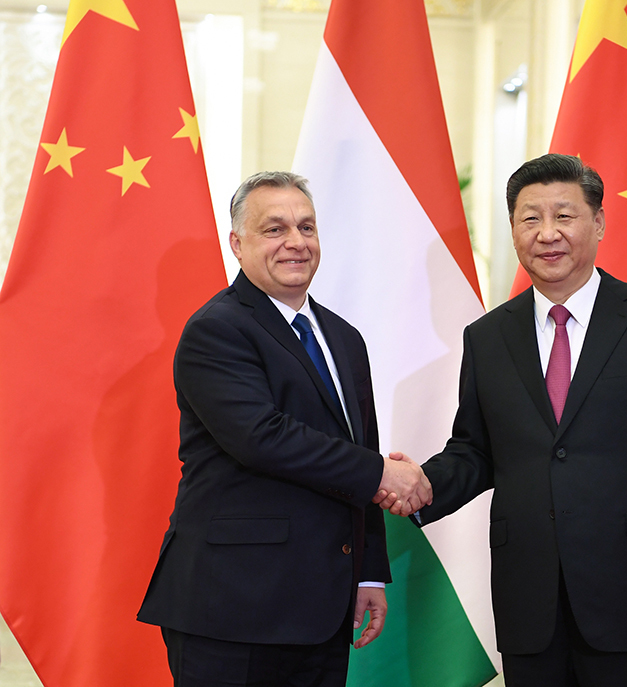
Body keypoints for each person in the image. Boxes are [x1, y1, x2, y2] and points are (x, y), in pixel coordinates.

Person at [377, 154, 627, 686]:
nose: (547, 233)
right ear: (514, 230)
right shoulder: (489, 337)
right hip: (531, 601)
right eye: (530, 218)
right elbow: (477, 449)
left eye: (564, 216)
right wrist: (423, 484)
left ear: (599, 222)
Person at [138, 171, 431, 687]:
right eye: (274, 229)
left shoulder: (344, 337)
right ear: (238, 244)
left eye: (306, 227)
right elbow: (262, 438)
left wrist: (368, 570)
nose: (296, 242)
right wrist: (384, 474)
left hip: (324, 606)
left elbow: (360, 447)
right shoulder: (217, 329)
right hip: (232, 607)